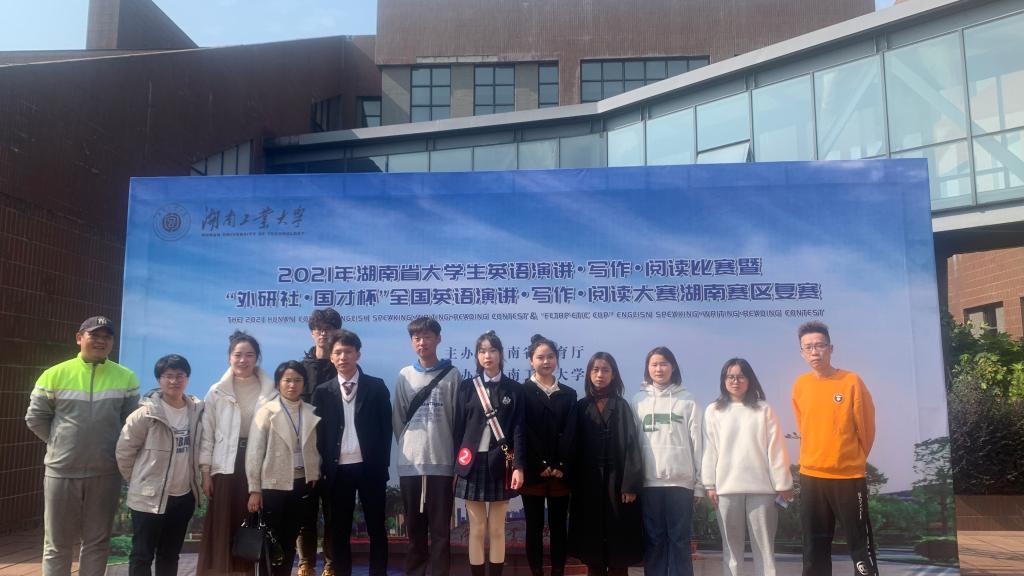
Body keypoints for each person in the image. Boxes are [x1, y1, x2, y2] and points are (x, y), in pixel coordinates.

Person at [25, 315, 140, 576]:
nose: (101, 341)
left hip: (106, 472)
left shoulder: (126, 377)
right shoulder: (54, 375)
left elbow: (130, 424)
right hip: (61, 470)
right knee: (57, 543)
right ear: (79, 338)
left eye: (106, 337)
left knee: (97, 542)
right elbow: (35, 418)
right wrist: (60, 443)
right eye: (94, 335)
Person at [792, 321, 878, 576]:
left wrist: (851, 460)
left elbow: (866, 429)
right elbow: (804, 427)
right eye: (808, 347)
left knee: (859, 547)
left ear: (831, 348)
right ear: (801, 353)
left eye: (819, 345)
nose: (814, 352)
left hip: (848, 477)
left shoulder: (851, 381)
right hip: (811, 477)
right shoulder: (800, 385)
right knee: (814, 547)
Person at [312, 330, 393, 576]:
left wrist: (382, 465)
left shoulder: (376, 387)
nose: (343, 357)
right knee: (339, 530)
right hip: (337, 472)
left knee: (376, 527)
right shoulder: (322, 392)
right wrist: (323, 468)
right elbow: (318, 435)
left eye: (348, 351)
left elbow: (386, 429)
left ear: (358, 354)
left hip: (370, 469)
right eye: (337, 352)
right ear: (330, 357)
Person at [702, 358, 793, 576]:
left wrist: (783, 484)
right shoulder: (714, 410)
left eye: (741, 376)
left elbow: (776, 448)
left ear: (750, 379)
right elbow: (709, 449)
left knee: (765, 550)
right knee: (731, 550)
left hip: (762, 490)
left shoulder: (764, 409)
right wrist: (709, 484)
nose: (735, 381)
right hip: (726, 489)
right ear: (724, 380)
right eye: (730, 377)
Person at [197, 330, 276, 576]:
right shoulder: (217, 391)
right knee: (222, 527)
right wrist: (206, 472)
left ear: (257, 358)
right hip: (225, 465)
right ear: (229, 357)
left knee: (249, 526)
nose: (243, 360)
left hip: (256, 463)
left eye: (249, 355)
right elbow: (207, 434)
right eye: (238, 354)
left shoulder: (270, 391)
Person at [116, 354, 202, 576]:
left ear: (187, 378)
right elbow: (124, 451)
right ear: (159, 379)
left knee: (170, 554)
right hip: (149, 499)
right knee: (142, 555)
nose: (174, 381)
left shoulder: (196, 411)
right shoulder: (144, 414)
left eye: (180, 375)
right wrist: (138, 481)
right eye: (168, 376)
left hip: (183, 497)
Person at [392, 316, 462, 576]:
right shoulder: (404, 375)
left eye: (427, 337)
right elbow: (398, 419)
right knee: (414, 531)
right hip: (411, 465)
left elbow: (457, 420)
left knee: (441, 533)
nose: (422, 342)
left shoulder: (452, 375)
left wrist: (454, 462)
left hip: (442, 465)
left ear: (438, 339)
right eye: (416, 338)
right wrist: (410, 447)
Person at [453, 331, 525, 576]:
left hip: (500, 463)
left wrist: (518, 466)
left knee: (496, 529)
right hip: (472, 464)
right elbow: (458, 429)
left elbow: (519, 431)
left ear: (501, 354)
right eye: (482, 351)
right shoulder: (467, 387)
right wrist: (457, 467)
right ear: (476, 356)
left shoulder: (514, 389)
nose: (487, 355)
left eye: (492, 350)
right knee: (476, 529)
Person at [567, 352, 643, 576]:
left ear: (613, 375)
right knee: (592, 547)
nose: (600, 375)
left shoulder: (622, 406)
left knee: (619, 543)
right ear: (589, 374)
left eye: (605, 370)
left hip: (618, 483)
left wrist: (630, 485)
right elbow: (572, 445)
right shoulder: (580, 407)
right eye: (595, 370)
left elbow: (631, 446)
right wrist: (571, 480)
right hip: (588, 483)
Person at [631, 346, 703, 576]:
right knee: (654, 540)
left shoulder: (688, 400)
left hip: (681, 483)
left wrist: (700, 483)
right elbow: (632, 446)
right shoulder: (638, 400)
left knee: (680, 541)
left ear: (673, 367)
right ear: (647, 368)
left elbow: (698, 444)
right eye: (654, 364)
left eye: (664, 363)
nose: (659, 369)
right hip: (649, 483)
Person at [246, 361, 322, 576]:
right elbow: (254, 452)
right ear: (278, 383)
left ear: (304, 384)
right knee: (271, 541)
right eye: (287, 380)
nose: (292, 385)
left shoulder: (309, 411)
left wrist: (314, 472)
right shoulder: (266, 411)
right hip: (273, 483)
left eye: (298, 380)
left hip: (301, 483)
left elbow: (314, 447)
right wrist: (255, 489)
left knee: (290, 540)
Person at [519, 334, 576, 576]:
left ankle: (558, 572)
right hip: (533, 472)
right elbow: (523, 431)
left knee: (559, 527)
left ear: (557, 359)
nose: (546, 362)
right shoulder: (522, 392)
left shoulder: (569, 394)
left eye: (550, 357)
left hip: (561, 473)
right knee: (533, 527)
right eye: (540, 357)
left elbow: (571, 432)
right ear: (531, 360)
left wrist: (561, 464)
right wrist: (540, 463)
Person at [299, 307, 343, 576]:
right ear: (312, 333)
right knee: (305, 512)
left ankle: (331, 564)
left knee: (333, 513)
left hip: (336, 452)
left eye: (328, 329)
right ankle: (305, 563)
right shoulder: (299, 369)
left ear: (338, 332)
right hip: (305, 451)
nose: (323, 334)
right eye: (318, 329)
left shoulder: (344, 366)